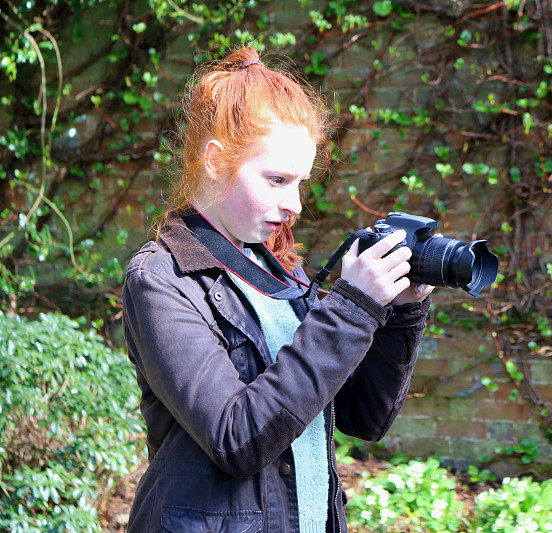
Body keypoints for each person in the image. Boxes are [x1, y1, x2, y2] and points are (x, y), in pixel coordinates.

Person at [122, 46, 433, 532]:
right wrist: (352, 308)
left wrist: (401, 311)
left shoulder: (280, 272)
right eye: (276, 180)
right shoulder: (161, 279)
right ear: (215, 161)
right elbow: (237, 438)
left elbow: (363, 416)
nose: (294, 205)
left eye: (300, 183)